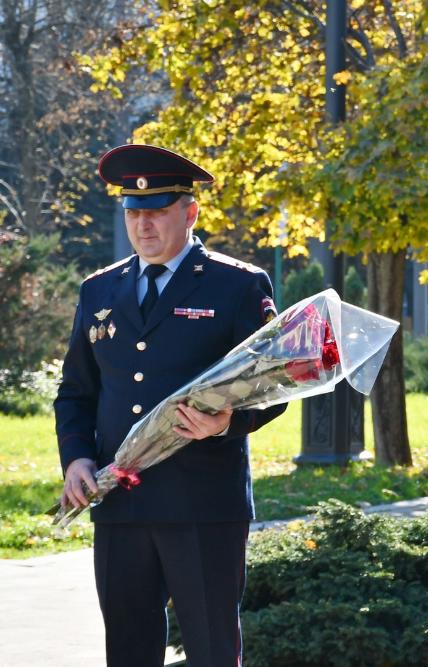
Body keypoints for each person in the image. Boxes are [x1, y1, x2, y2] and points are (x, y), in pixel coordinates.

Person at [55, 144, 286, 666]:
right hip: (120, 503)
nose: (144, 227)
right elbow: (77, 391)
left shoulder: (239, 285)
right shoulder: (99, 290)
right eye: (134, 214)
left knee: (210, 651)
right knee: (129, 651)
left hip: (202, 503)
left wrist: (228, 422)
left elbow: (274, 388)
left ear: (190, 212)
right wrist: (76, 459)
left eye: (157, 212)